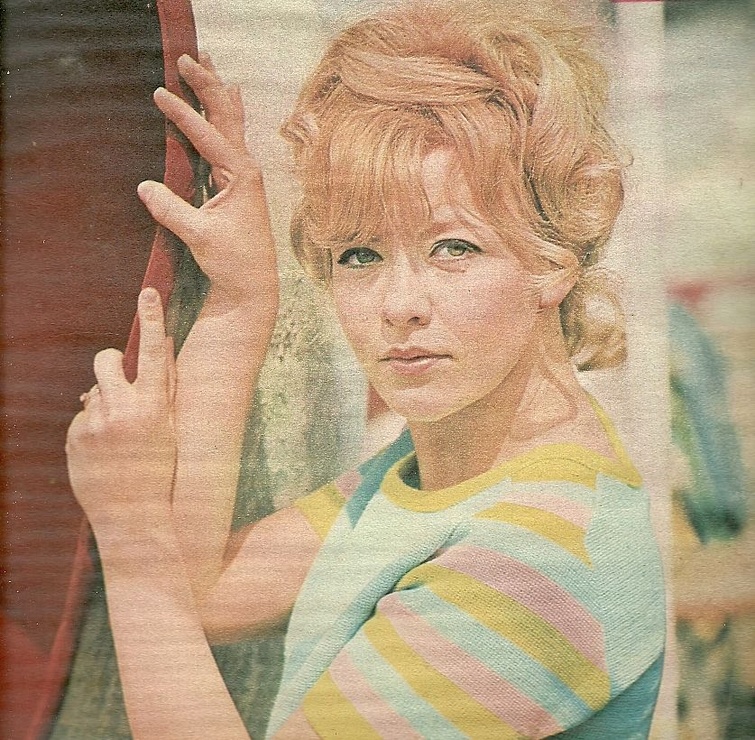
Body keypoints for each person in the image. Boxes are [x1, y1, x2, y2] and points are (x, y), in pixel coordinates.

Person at [65, 0, 666, 737]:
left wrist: (128, 530)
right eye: (360, 254)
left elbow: (161, 580)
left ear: (553, 259)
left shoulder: (535, 559)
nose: (399, 304)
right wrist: (242, 300)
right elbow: (200, 589)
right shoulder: (462, 464)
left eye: (454, 248)